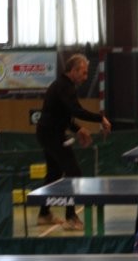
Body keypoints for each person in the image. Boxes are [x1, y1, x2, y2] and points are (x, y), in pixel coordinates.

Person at [36, 54, 112, 230]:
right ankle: (70, 218)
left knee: (54, 174)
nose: (85, 77)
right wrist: (100, 118)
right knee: (74, 173)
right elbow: (76, 110)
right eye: (83, 73)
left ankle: (44, 214)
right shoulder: (65, 86)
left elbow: (63, 115)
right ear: (74, 70)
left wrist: (78, 129)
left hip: (49, 133)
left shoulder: (64, 85)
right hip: (52, 135)